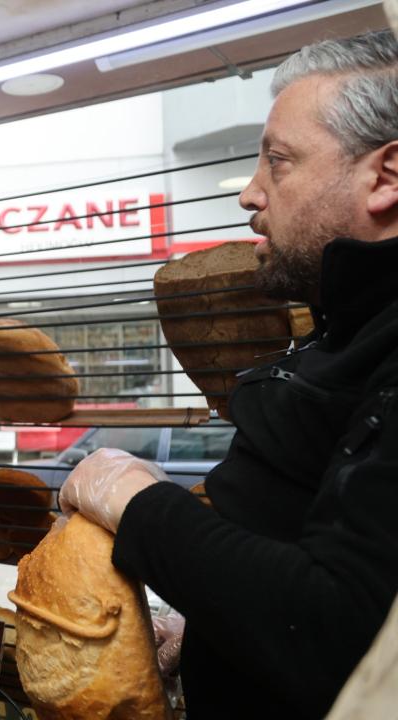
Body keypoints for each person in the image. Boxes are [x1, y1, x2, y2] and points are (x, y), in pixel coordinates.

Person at [58, 30, 398, 719]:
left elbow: (342, 634)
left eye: (278, 161)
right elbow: (296, 553)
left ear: (385, 177)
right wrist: (211, 630)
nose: (250, 193)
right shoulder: (348, 327)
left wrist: (132, 499)